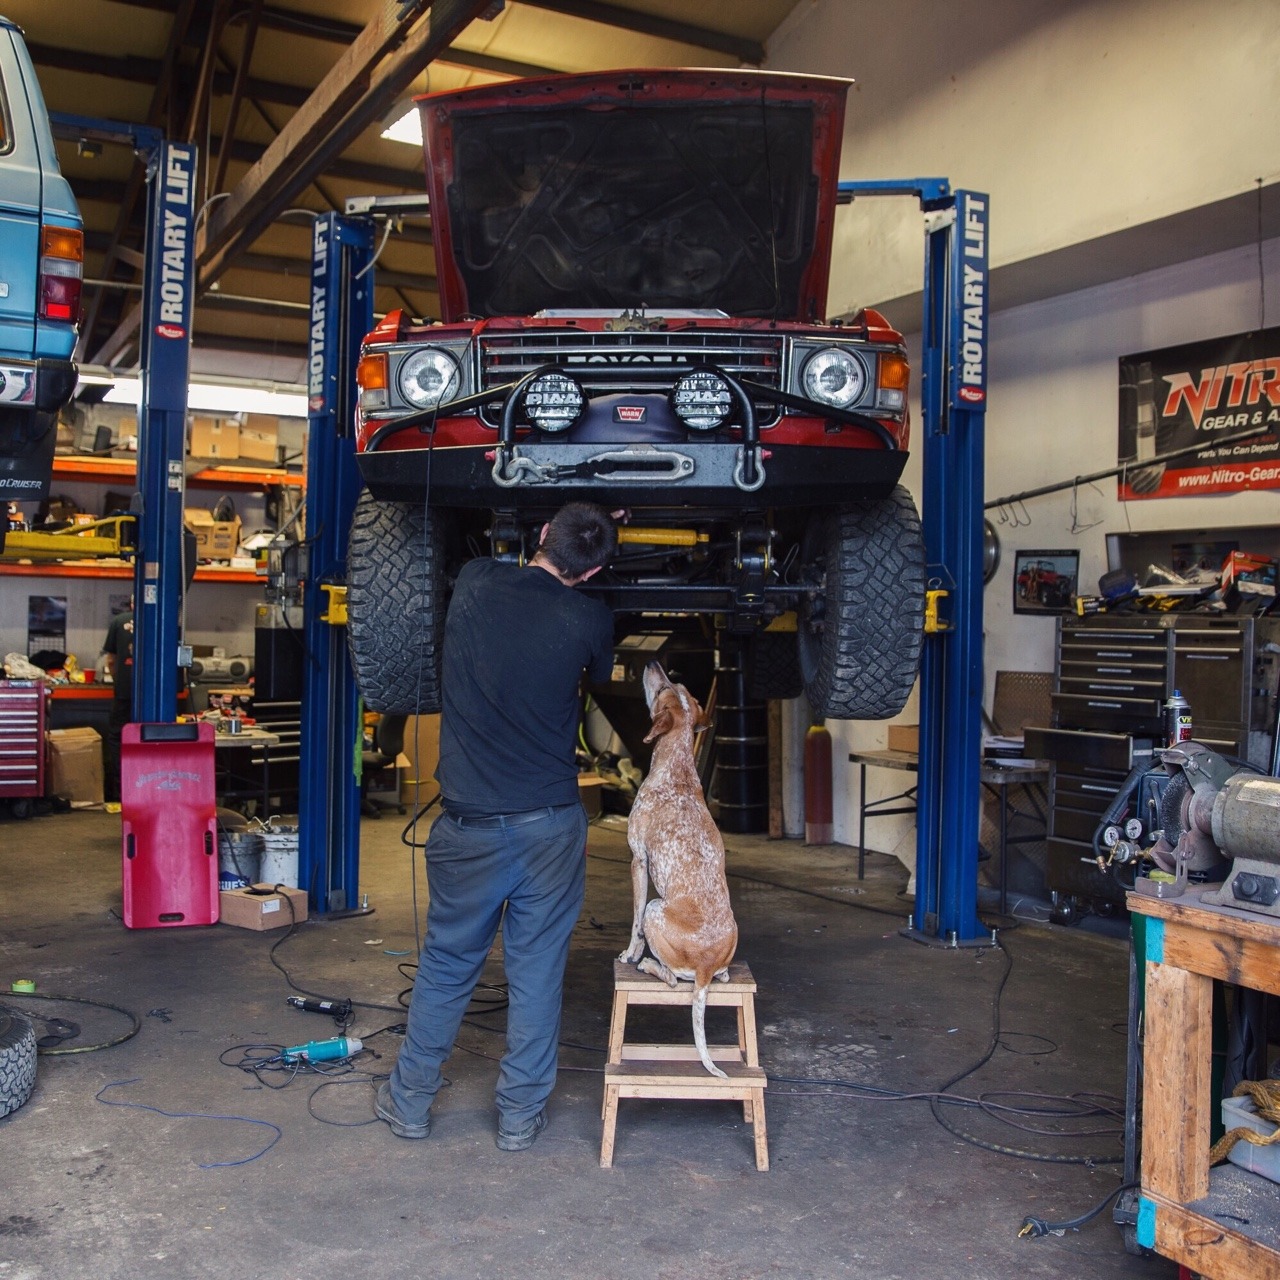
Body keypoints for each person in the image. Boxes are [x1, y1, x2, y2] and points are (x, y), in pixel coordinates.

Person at [376, 503, 617, 1151]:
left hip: (469, 829)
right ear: (594, 571)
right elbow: (597, 677)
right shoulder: (592, 617)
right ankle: (518, 1118)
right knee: (537, 973)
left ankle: (409, 1102)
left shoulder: (477, 580)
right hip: (550, 829)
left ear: (541, 534)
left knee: (448, 965)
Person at [100, 596, 134, 809]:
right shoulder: (160, 618)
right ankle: (147, 784)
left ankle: (123, 787)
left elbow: (111, 660)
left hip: (124, 691)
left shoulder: (118, 621)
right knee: (150, 734)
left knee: (116, 736)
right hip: (154, 694)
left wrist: (119, 680)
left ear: (131, 604)